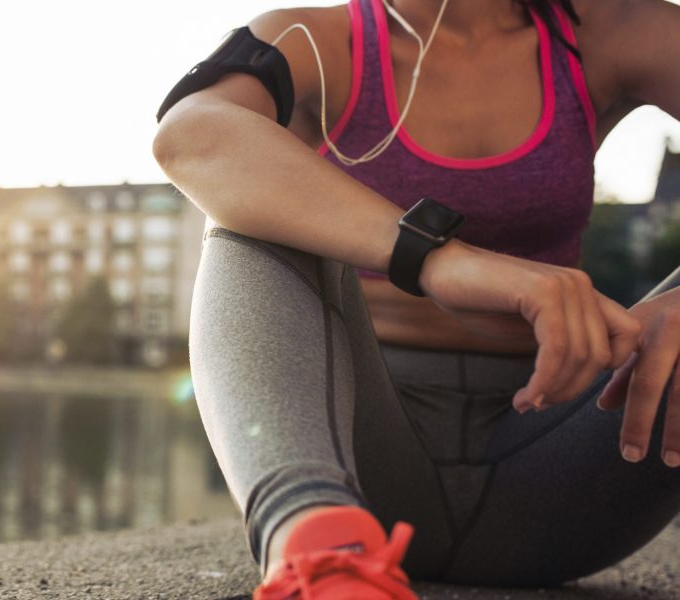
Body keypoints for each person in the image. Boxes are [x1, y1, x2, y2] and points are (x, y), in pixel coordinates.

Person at [151, 0, 680, 598]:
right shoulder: (314, 40)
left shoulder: (621, 31)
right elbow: (189, 134)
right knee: (253, 206)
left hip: (570, 473)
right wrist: (435, 258)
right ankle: (320, 560)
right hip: (361, 458)